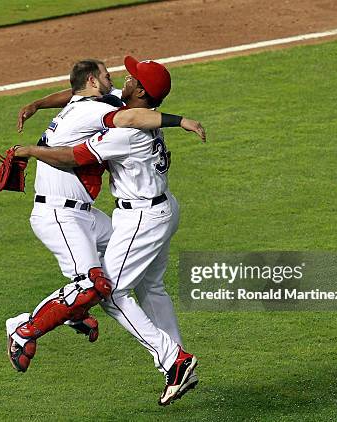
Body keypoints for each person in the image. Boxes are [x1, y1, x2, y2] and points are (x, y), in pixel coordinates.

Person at [11, 56, 204, 406]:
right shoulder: (130, 104)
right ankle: (177, 356)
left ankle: (174, 363)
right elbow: (77, 96)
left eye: (132, 78)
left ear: (141, 91)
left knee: (112, 294)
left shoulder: (126, 133)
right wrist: (39, 103)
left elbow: (72, 156)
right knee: (152, 287)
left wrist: (30, 151)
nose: (124, 78)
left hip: (143, 218)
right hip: (162, 206)